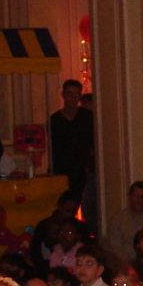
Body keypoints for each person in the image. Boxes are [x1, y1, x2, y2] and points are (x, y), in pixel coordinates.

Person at [48, 78, 95, 206]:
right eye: (69, 94)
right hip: (61, 169)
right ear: (63, 95)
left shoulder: (88, 117)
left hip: (82, 169)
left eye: (76, 94)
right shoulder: (54, 120)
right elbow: (52, 148)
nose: (73, 98)